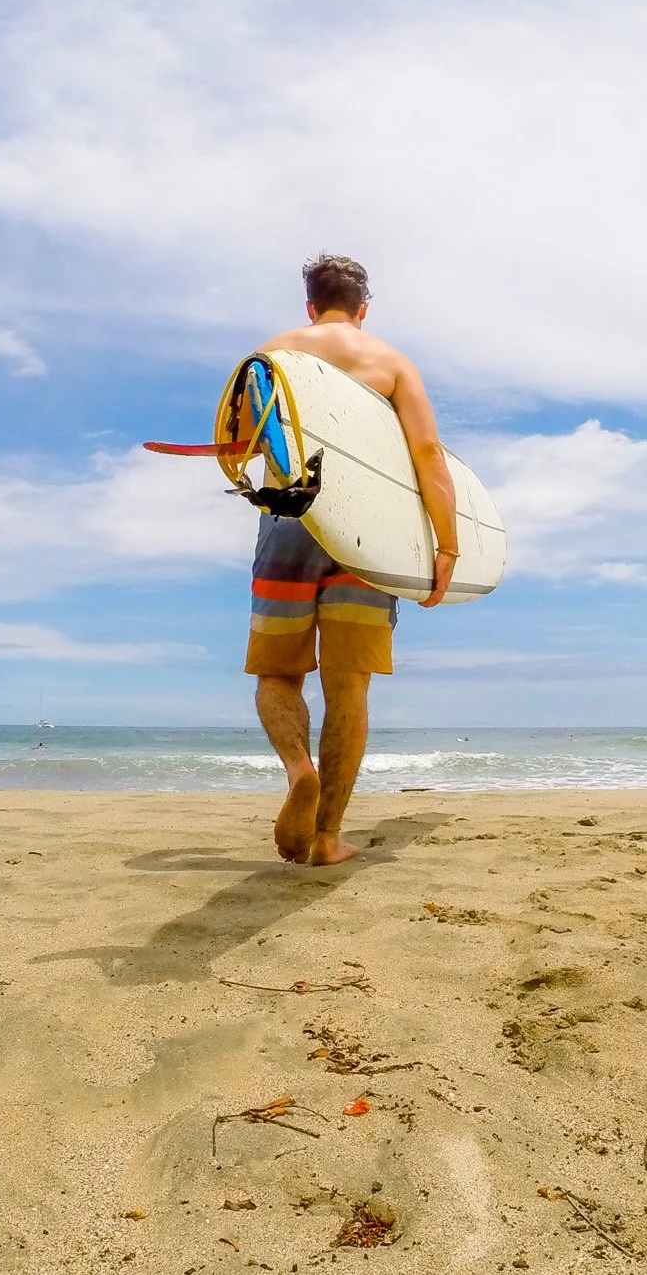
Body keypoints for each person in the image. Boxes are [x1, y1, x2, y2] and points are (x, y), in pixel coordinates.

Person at [248, 255, 459, 866]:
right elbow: (427, 454)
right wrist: (446, 546)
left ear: (310, 306)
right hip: (366, 533)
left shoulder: (273, 354)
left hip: (288, 521)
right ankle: (326, 837)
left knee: (278, 674)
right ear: (364, 308)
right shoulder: (391, 364)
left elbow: (245, 441)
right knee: (349, 685)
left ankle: (299, 770)